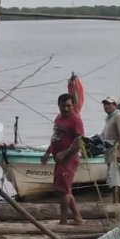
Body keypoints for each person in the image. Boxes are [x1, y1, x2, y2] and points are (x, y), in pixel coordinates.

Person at [39, 93, 85, 225]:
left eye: (68, 106)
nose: (65, 109)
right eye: (63, 106)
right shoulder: (58, 118)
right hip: (58, 159)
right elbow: (55, 137)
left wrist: (65, 153)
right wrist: (48, 153)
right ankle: (77, 218)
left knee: (63, 190)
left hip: (69, 159)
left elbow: (79, 140)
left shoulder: (75, 119)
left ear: (73, 106)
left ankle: (63, 220)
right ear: (58, 105)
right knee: (63, 189)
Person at [100, 96, 120, 204]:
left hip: (117, 154)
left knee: (117, 182)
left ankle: (118, 205)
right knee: (114, 181)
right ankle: (117, 204)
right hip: (110, 153)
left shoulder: (118, 117)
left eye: (109, 104)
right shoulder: (109, 118)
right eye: (104, 104)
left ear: (115, 105)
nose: (106, 106)